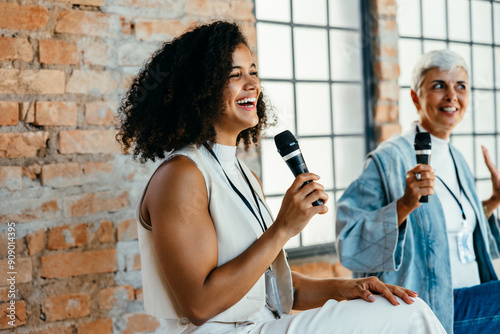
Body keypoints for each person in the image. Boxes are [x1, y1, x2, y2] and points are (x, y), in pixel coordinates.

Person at [117, 21, 445, 333]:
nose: (252, 85)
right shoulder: (181, 176)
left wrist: (351, 288)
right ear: (200, 88)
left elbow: (271, 286)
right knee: (409, 315)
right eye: (235, 75)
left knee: (400, 304)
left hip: (266, 325)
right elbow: (200, 305)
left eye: (253, 73)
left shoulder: (242, 174)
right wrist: (284, 228)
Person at [336, 49, 500, 334]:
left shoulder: (457, 158)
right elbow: (349, 242)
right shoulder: (389, 159)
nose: (452, 96)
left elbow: (454, 228)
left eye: (460, 86)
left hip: (470, 300)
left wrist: (493, 201)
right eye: (439, 85)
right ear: (415, 97)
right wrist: (404, 204)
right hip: (429, 310)